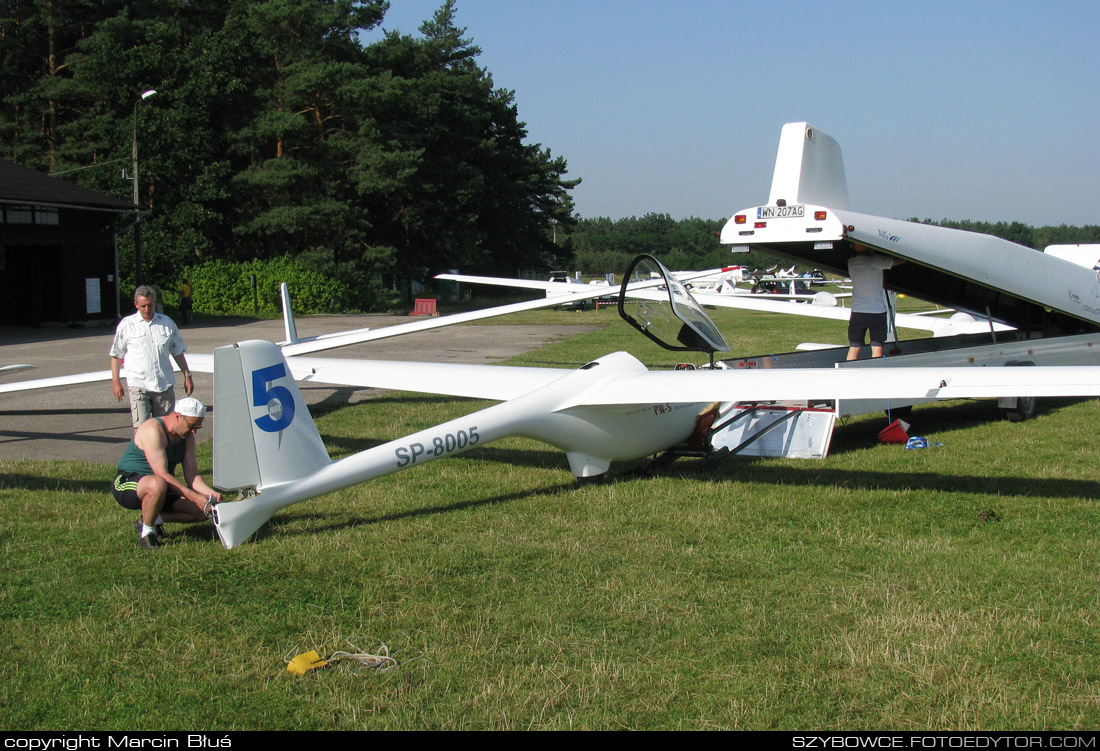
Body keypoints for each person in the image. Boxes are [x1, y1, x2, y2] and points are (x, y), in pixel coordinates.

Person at [111, 397, 222, 549]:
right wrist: (195, 497)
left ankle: (152, 520)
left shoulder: (187, 437)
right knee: (157, 483)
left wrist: (211, 495)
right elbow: (162, 474)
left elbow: (192, 476)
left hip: (163, 488)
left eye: (198, 427)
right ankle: (147, 534)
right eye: (191, 426)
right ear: (178, 416)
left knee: (205, 511)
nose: (194, 431)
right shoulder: (153, 429)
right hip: (129, 482)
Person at [110, 285, 193, 430]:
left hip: (163, 386)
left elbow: (178, 351)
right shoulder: (127, 325)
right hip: (139, 386)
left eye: (150, 305)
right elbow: (116, 354)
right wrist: (116, 381)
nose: (147, 309)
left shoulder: (167, 323)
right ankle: (143, 453)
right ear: (136, 305)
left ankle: (165, 453)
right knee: (142, 430)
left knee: (166, 430)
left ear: (154, 303)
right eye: (143, 306)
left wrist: (187, 375)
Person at [846, 245, 905, 361]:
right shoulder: (875, 261)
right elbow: (899, 261)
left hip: (857, 311)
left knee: (854, 346)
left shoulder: (851, 262)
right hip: (876, 312)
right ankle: (875, 372)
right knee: (877, 346)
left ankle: (849, 371)